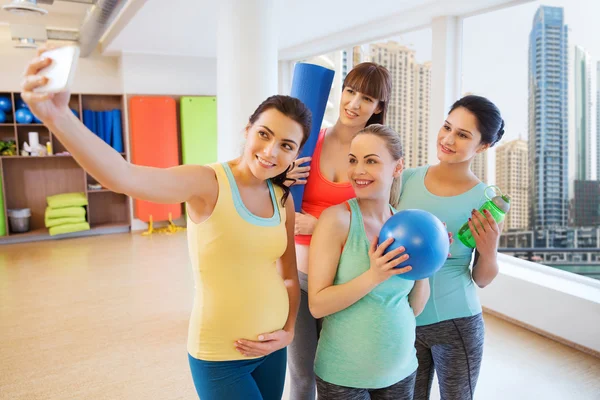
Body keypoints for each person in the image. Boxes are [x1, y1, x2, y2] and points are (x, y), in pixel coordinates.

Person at [21, 47, 312, 400]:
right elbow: (124, 177)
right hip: (221, 354)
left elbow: (287, 277)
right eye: (264, 134)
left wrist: (288, 331)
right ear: (247, 129)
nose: (271, 152)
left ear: (296, 153)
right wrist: (57, 118)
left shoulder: (282, 198)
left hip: (272, 349)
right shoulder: (207, 182)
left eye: (286, 145)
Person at [285, 62, 392, 400]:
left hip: (346, 281)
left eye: (367, 98)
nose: (354, 103)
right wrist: (281, 181)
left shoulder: (374, 157)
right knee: (302, 375)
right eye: (350, 91)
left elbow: (380, 216)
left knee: (342, 373)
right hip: (298, 275)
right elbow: (270, 197)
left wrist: (322, 227)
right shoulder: (308, 141)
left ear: (378, 107)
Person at [308, 124, 430, 399]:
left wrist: (427, 262)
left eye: (371, 161)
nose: (358, 171)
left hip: (401, 370)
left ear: (397, 167)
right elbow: (318, 304)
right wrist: (374, 275)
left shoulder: (405, 225)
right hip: (343, 377)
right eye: (353, 160)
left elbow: (415, 308)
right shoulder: (336, 220)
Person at [395, 95, 505, 400]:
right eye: (447, 127)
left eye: (463, 135)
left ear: (482, 146)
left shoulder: (487, 201)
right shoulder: (404, 180)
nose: (448, 139)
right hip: (403, 318)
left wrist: (491, 247)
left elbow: (482, 278)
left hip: (457, 322)